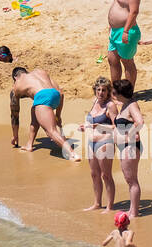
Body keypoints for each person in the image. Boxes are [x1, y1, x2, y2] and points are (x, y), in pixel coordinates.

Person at [10, 66, 75, 158]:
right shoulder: (39, 72)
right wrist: (58, 115)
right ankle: (29, 144)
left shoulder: (17, 84)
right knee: (35, 110)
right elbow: (60, 93)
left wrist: (15, 136)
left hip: (43, 97)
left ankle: (72, 154)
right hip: (56, 95)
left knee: (50, 131)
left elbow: (14, 115)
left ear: (15, 78)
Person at [82, 77, 118, 211]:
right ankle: (97, 203)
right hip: (91, 142)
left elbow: (118, 127)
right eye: (98, 90)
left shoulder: (111, 105)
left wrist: (100, 126)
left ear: (108, 92)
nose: (101, 93)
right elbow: (90, 121)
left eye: (104, 90)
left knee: (106, 175)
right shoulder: (94, 102)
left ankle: (109, 206)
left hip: (105, 142)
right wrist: (85, 126)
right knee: (94, 174)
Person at [106, 0, 142, 88]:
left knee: (127, 62)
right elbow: (117, 5)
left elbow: (134, 12)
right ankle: (116, 91)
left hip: (126, 30)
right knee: (112, 59)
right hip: (115, 31)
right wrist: (111, 25)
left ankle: (128, 94)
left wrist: (126, 31)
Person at [111, 78, 144, 217]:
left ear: (120, 93)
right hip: (125, 147)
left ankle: (134, 213)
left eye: (114, 92)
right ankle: (132, 209)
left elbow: (140, 122)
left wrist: (129, 136)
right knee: (129, 179)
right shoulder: (125, 104)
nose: (113, 94)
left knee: (132, 180)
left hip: (130, 147)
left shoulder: (132, 105)